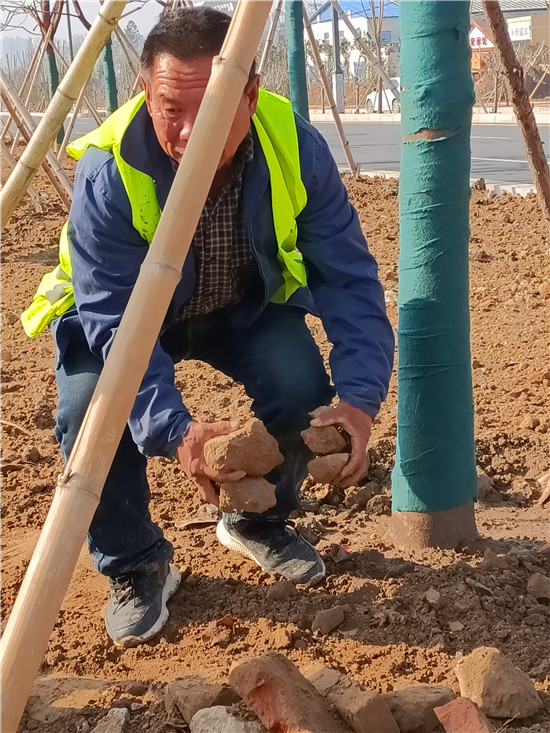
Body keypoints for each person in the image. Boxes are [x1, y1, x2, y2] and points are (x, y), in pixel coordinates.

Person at [22, 7, 394, 648]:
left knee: (299, 382)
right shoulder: (109, 172)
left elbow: (349, 277)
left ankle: (259, 519)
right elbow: (114, 320)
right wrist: (175, 431)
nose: (191, 131)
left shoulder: (292, 146)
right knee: (89, 414)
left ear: (250, 94)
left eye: (214, 108)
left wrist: (359, 400)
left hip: (234, 306)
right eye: (171, 109)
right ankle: (135, 564)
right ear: (146, 92)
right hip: (121, 318)